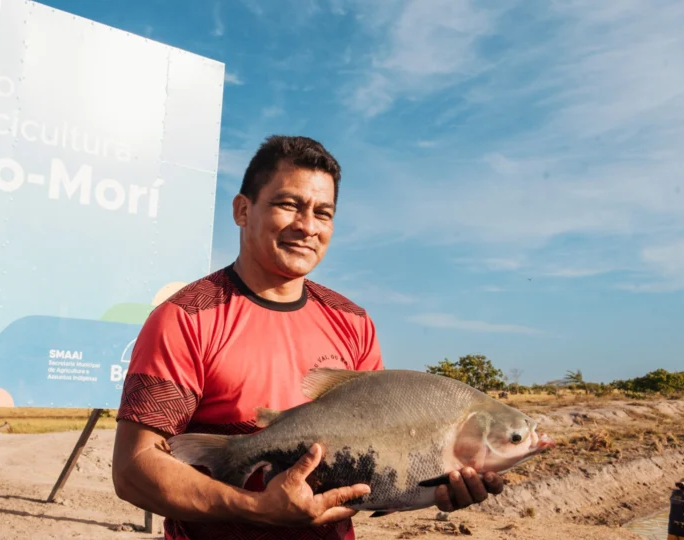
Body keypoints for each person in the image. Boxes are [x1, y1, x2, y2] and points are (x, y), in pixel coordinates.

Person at [111, 135, 504, 539]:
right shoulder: (185, 318)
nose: (307, 226)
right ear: (242, 210)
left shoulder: (353, 322)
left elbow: (383, 462)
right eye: (288, 205)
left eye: (323, 212)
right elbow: (132, 469)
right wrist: (255, 508)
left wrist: (436, 485)